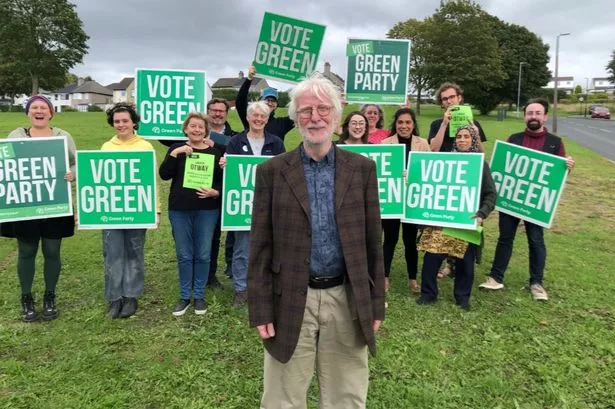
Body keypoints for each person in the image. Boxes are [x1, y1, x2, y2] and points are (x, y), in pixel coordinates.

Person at [248, 73, 385, 408]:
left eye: (323, 109)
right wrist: (261, 308)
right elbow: (260, 247)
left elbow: (372, 243)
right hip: (291, 297)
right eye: (306, 111)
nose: (315, 117)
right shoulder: (271, 172)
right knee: (283, 397)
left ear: (336, 117)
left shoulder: (362, 169)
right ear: (295, 119)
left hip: (346, 296)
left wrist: (375, 302)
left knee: (346, 396)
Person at [479, 98, 575, 301]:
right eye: (530, 113)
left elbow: (558, 179)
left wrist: (566, 168)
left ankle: (536, 283)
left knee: (536, 240)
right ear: (525, 116)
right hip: (512, 199)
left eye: (538, 113)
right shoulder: (513, 139)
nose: (533, 116)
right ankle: (496, 277)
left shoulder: (555, 143)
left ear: (545, 116)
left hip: (534, 202)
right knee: (505, 238)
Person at [1, 95, 75, 322]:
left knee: (52, 251)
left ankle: (49, 296)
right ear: (28, 112)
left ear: (51, 112)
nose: (39, 111)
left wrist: (74, 174)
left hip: (55, 202)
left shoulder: (62, 136)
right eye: (34, 107)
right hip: (26, 206)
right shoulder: (16, 136)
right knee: (27, 252)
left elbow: (75, 162)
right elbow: (6, 163)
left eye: (44, 107)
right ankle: (26, 297)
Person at [417, 125, 497, 311]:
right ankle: (428, 293)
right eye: (459, 136)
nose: (461, 139)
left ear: (473, 140)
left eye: (466, 136)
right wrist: (411, 175)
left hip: (465, 221)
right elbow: (427, 180)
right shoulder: (444, 161)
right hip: (441, 221)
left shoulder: (480, 165)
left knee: (465, 263)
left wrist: (481, 213)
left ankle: (462, 297)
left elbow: (491, 194)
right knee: (431, 258)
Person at [222, 101, 285, 308]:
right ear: (248, 118)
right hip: (243, 207)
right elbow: (230, 172)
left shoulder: (275, 142)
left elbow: (283, 170)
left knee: (269, 247)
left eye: (263, 117)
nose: (258, 119)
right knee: (242, 248)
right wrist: (225, 165)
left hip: (269, 204)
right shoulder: (235, 141)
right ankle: (241, 289)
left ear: (267, 120)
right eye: (255, 116)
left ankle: (263, 287)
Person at [159, 112, 223, 316]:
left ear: (206, 131)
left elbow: (223, 182)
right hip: (180, 210)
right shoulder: (176, 149)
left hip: (207, 211)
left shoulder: (215, 153)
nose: (196, 130)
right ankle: (185, 296)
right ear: (185, 129)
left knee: (203, 254)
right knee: (184, 255)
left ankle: (199, 296)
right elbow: (164, 174)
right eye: (192, 126)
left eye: (200, 127)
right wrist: (174, 154)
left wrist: (216, 192)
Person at [101, 103, 160, 318]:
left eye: (125, 120)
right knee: (113, 255)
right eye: (117, 121)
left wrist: (157, 210)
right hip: (112, 211)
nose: (121, 124)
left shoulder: (145, 146)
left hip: (138, 209)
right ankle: (114, 299)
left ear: (133, 121)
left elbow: (151, 180)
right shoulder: (107, 147)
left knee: (134, 253)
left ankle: (131, 296)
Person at [380, 108, 430, 294]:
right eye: (400, 122)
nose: (404, 126)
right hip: (393, 199)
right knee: (390, 239)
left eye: (408, 122)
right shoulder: (385, 143)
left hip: (412, 201)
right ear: (396, 124)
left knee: (410, 242)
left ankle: (412, 278)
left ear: (413, 125)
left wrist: (414, 175)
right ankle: (384, 276)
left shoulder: (423, 144)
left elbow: (429, 171)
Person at [205, 98, 238, 289]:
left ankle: (212, 275)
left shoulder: (234, 136)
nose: (217, 114)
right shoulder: (197, 130)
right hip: (199, 191)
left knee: (217, 235)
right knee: (204, 235)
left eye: (221, 111)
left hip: (223, 191)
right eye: (213, 110)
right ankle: (200, 273)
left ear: (226, 114)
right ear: (208, 111)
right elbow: (168, 141)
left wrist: (215, 145)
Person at [236, 65, 294, 140]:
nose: (270, 103)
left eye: (273, 101)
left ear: (276, 105)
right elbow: (240, 101)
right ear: (260, 100)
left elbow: (300, 115)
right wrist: (249, 79)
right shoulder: (251, 118)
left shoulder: (282, 123)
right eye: (267, 100)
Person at [428, 82, 487, 153]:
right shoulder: (436, 124)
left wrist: (476, 135)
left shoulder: (473, 124)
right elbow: (433, 150)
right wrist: (444, 124)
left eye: (452, 97)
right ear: (442, 103)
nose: (449, 101)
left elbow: (481, 154)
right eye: (445, 99)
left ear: (459, 98)